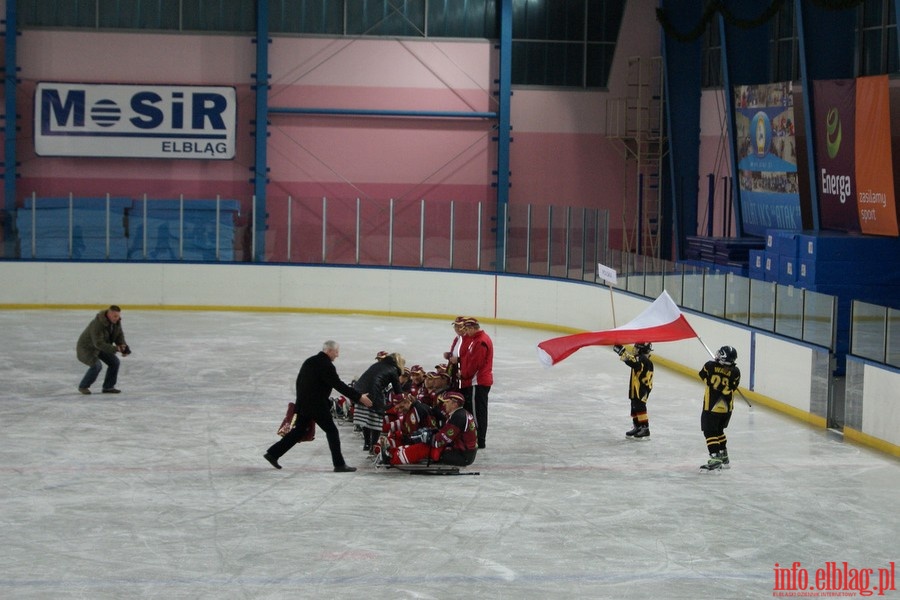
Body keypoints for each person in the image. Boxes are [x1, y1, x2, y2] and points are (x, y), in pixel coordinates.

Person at [264, 340, 372, 472]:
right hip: (316, 405)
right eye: (336, 352)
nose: (337, 355)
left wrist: (299, 405)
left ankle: (273, 453)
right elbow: (338, 384)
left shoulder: (309, 361)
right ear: (330, 351)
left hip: (304, 404)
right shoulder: (326, 365)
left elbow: (299, 383)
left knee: (299, 432)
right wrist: (359, 396)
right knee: (332, 431)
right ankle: (339, 464)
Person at [378, 390, 477, 467]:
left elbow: (440, 441)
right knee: (425, 443)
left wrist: (428, 437)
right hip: (462, 452)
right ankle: (393, 453)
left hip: (461, 456)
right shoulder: (460, 414)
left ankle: (393, 459)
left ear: (455, 403)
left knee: (425, 447)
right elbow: (446, 435)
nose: (444, 404)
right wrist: (432, 434)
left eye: (446, 402)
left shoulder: (458, 416)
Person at [451, 317, 493, 449]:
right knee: (475, 411)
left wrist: (463, 374)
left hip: (477, 382)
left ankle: (479, 441)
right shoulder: (475, 340)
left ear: (474, 328)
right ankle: (476, 439)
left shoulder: (480, 341)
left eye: (468, 328)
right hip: (474, 381)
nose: (466, 331)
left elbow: (476, 363)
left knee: (477, 413)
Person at [699, 345, 741, 470]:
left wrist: (716, 366)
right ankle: (724, 455)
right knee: (719, 431)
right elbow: (734, 386)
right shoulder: (736, 371)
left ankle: (715, 457)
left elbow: (702, 376)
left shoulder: (709, 366)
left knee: (709, 431)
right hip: (727, 409)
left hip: (711, 407)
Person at [353, 352, 405, 453]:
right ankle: (374, 445)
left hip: (359, 391)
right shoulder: (393, 369)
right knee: (377, 419)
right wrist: (401, 400)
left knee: (366, 418)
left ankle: (367, 443)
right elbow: (398, 391)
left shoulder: (377, 365)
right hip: (373, 391)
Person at [76, 305, 130, 394]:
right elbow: (98, 343)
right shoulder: (97, 324)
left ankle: (108, 387)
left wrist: (123, 348)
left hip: (100, 347)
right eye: (115, 316)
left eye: (118, 316)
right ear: (108, 314)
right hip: (86, 349)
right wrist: (116, 348)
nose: (117, 318)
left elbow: (119, 335)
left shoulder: (116, 322)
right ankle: (83, 386)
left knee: (115, 362)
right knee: (96, 366)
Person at [612, 342, 654, 438]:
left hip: (641, 389)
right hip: (636, 388)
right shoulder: (642, 358)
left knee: (640, 407)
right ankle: (637, 426)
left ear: (641, 350)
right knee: (634, 406)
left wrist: (621, 352)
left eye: (636, 347)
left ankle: (644, 428)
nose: (634, 349)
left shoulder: (642, 359)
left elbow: (633, 362)